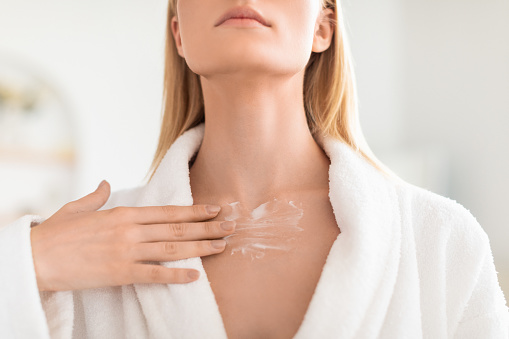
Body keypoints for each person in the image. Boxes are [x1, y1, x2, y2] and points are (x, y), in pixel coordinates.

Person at [1, 0, 508, 338]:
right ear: (179, 33)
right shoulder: (76, 257)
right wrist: (24, 268)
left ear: (323, 26)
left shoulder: (439, 242)